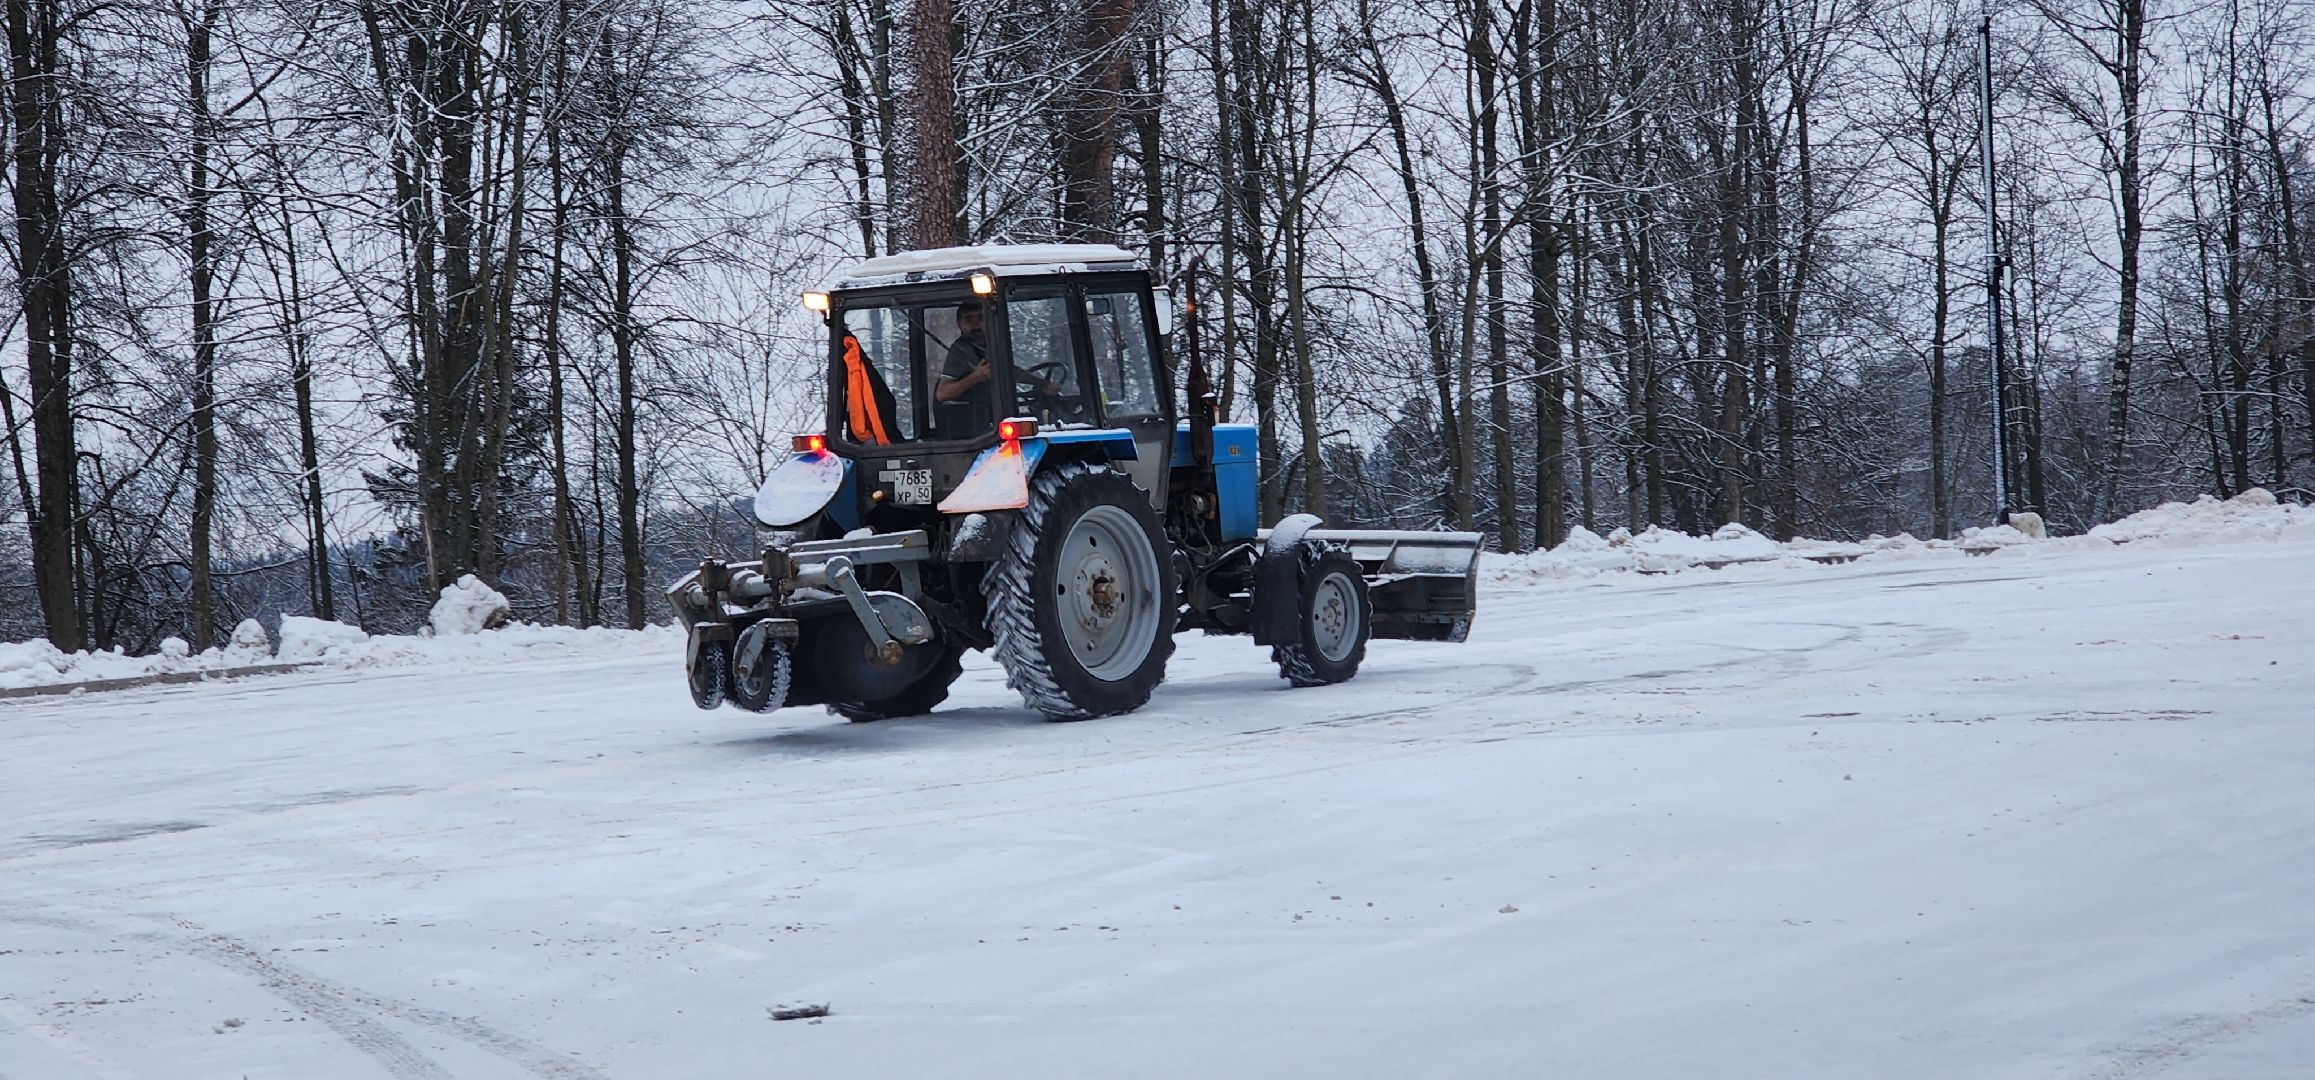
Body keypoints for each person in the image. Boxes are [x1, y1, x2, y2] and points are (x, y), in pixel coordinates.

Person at [934, 300, 1061, 410]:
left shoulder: (990, 345)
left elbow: (1006, 371)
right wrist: (976, 377)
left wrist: (1041, 383)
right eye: (969, 319)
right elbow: (942, 393)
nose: (975, 324)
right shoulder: (961, 350)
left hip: (990, 414)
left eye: (980, 318)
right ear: (959, 323)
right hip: (974, 424)